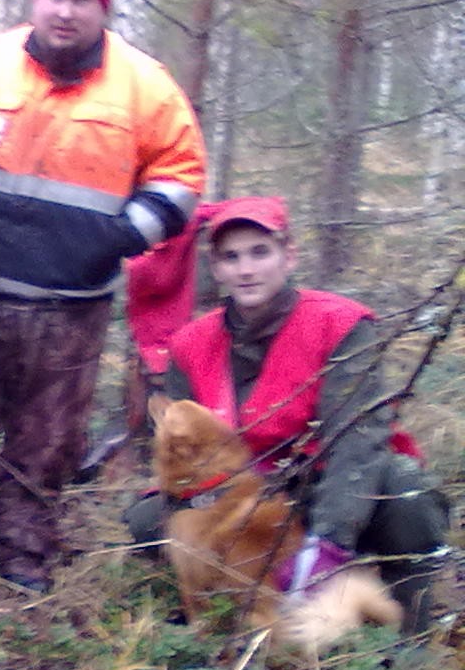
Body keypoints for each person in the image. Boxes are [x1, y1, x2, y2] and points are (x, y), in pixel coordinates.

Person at [0, 0, 207, 591]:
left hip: (73, 305)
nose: (66, 11)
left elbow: (181, 175)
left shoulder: (145, 87)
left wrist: (121, 236)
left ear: (103, 8)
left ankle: (24, 556)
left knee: (47, 441)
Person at [128, 198, 449, 633]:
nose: (246, 270)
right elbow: (183, 456)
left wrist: (331, 541)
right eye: (231, 257)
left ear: (288, 256)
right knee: (149, 522)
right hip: (243, 496)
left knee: (405, 495)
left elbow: (357, 440)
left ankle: (407, 633)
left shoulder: (340, 324)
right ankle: (224, 613)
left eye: (260, 252)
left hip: (324, 481)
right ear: (216, 268)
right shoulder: (191, 343)